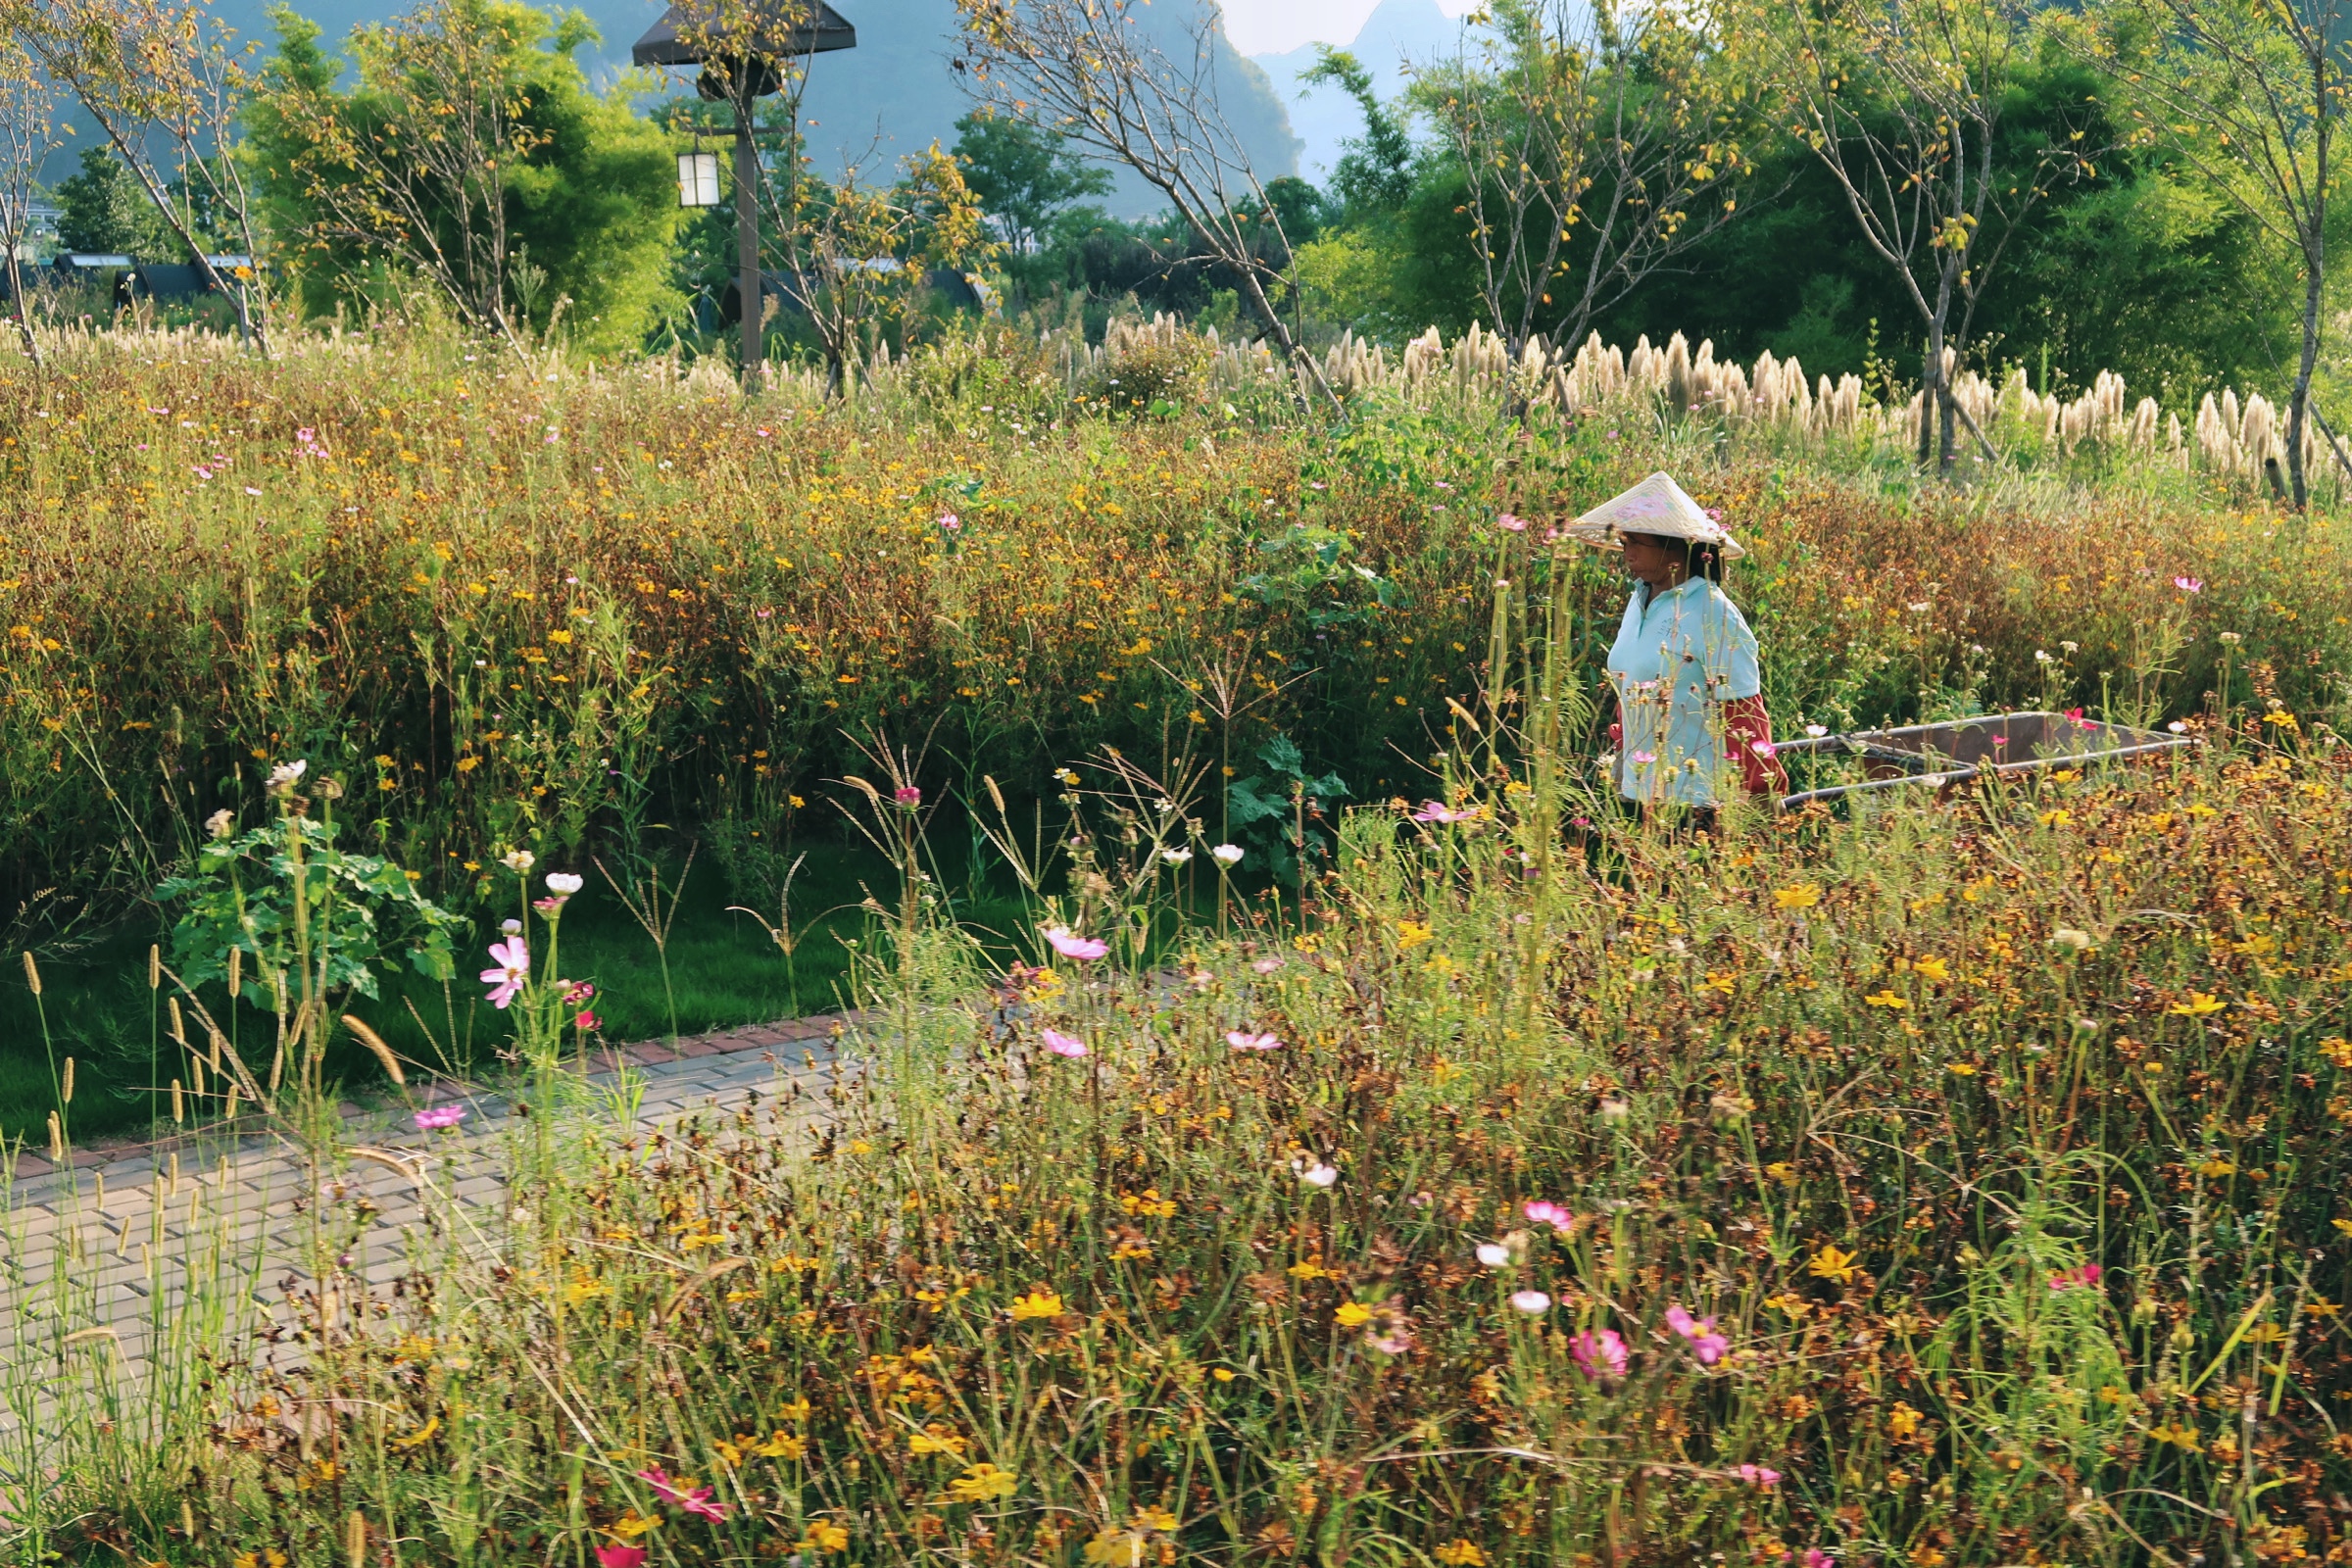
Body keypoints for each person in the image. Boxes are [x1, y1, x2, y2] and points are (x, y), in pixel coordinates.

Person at [1563, 471, 1787, 814]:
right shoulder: (1639, 602)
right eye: (1625, 542)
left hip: (1697, 799)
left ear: (1674, 547)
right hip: (1641, 791)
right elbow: (1633, 683)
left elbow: (1743, 713)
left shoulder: (1712, 611)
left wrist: (1761, 794)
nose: (1627, 552)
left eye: (1637, 542)